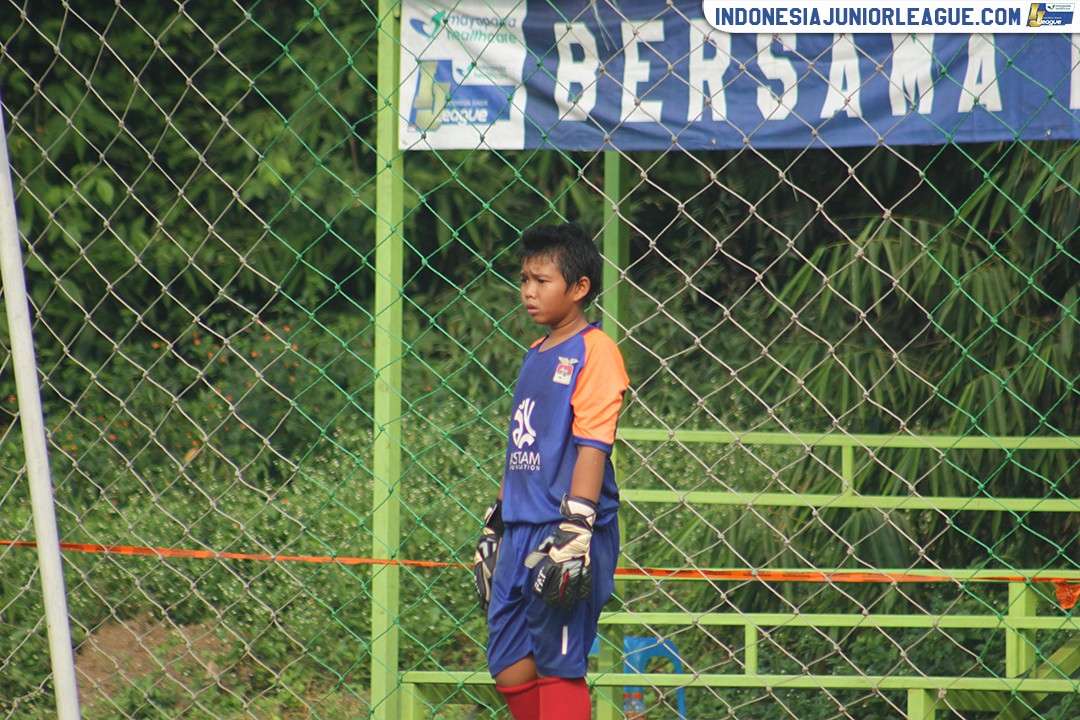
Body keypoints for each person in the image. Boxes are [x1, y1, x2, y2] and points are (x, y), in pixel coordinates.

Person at [473, 222, 629, 720]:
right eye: (524, 279)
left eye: (542, 281)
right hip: (521, 527)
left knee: (559, 664)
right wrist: (497, 521)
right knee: (510, 663)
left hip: (565, 528)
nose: (528, 292)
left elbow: (593, 445)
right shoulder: (534, 355)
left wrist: (576, 530)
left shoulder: (595, 348)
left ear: (579, 288)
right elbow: (522, 444)